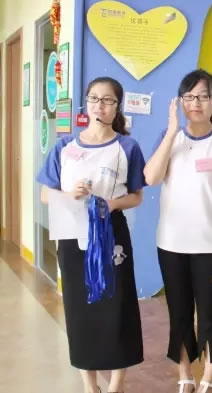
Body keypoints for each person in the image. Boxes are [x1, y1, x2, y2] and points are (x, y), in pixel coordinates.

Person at [37, 76, 146, 393]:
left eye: (108, 100)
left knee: (117, 305)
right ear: (86, 103)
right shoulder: (64, 147)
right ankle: (89, 385)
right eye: (94, 98)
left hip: (111, 236)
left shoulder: (127, 147)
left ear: (117, 106)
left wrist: (112, 203)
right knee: (79, 308)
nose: (100, 105)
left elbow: (136, 196)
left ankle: (116, 384)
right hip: (72, 236)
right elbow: (45, 195)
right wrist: (71, 194)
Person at [144, 69, 212, 393]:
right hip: (171, 243)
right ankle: (185, 375)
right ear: (180, 101)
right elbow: (151, 178)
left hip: (211, 245)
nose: (196, 103)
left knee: (210, 313)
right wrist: (172, 132)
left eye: (203, 96)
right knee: (179, 312)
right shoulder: (169, 137)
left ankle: (210, 377)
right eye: (189, 97)